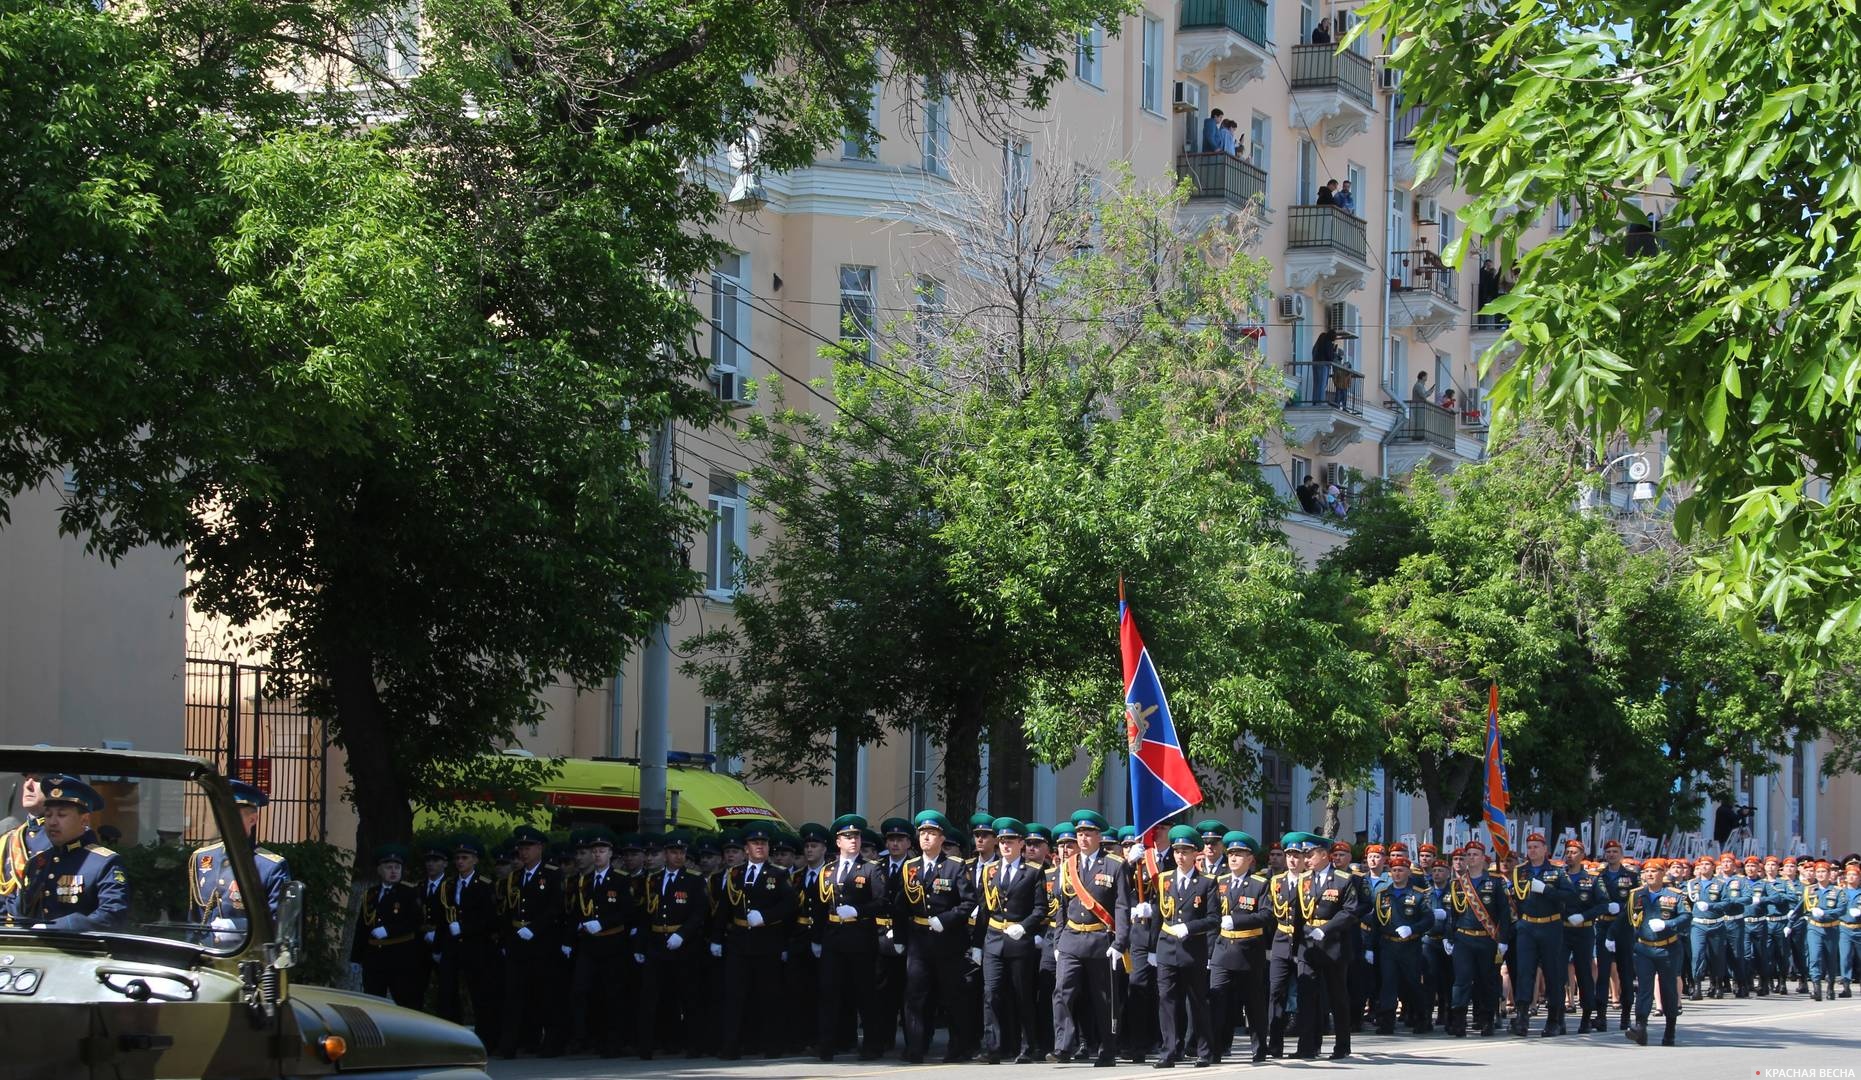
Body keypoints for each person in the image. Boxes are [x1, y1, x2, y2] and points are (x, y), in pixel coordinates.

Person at [1052, 809, 1129, 1068]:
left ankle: (1107, 1049)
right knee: (1062, 991)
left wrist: (1120, 942)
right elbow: (1061, 906)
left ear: (1099, 836)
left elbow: (1121, 906)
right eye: (1080, 834)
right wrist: (1058, 941)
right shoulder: (1067, 867)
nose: (1083, 839)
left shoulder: (1114, 865)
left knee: (1103, 999)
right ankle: (1064, 1045)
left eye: (1088, 834)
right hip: (1072, 938)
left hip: (1100, 938)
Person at [898, 810, 975, 1063]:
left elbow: (968, 904)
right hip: (919, 941)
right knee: (915, 997)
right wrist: (900, 937)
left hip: (948, 941)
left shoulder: (955, 866)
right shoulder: (910, 867)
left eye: (932, 833)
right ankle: (915, 1048)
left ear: (942, 838)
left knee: (952, 996)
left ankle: (958, 1048)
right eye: (922, 833)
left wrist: (946, 919)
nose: (926, 838)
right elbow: (901, 905)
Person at [6, 775, 128, 931]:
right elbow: (19, 911)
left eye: (61, 815)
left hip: (82, 951)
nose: (52, 822)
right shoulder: (37, 863)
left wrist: (60, 927)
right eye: (48, 815)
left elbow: (112, 916)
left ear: (84, 821)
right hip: (35, 951)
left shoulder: (104, 863)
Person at [718, 821, 796, 1058]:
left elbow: (790, 905)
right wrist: (716, 938)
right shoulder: (735, 873)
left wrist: (766, 916)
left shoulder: (778, 874)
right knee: (735, 996)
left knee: (768, 997)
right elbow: (724, 908)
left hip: (766, 942)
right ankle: (732, 1046)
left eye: (763, 843)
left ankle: (771, 1046)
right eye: (755, 843)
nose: (759, 847)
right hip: (738, 942)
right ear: (746, 848)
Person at [973, 817, 1046, 1064]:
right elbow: (984, 909)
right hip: (993, 939)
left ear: (1021, 844)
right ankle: (992, 1047)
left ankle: (1027, 1046)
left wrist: (1024, 927)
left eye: (1010, 841)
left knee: (1022, 994)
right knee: (991, 993)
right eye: (1002, 841)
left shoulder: (1034, 872)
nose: (1005, 846)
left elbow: (1040, 909)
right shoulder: (989, 870)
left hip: (1018, 940)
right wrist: (976, 943)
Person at [1293, 833, 1365, 1060]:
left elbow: (1350, 911)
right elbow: (1297, 915)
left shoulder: (1344, 879)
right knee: (1307, 996)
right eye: (1305, 855)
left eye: (1311, 854)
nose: (1307, 859)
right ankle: (1308, 1046)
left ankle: (1342, 1045)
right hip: (1308, 944)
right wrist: (1297, 946)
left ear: (1324, 855)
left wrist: (1326, 929)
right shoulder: (1304, 880)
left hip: (1334, 944)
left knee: (1337, 997)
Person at [190, 779, 292, 939]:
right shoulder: (202, 858)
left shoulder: (270, 866)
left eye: (232, 816)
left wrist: (238, 928)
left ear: (253, 819)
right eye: (220, 814)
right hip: (205, 956)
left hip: (244, 957)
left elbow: (278, 923)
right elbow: (194, 919)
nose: (224, 821)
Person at [1153, 824, 1218, 1067]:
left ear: (1195, 854)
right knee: (1167, 1001)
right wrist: (1152, 949)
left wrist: (1189, 928)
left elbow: (1214, 919)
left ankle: (1203, 1051)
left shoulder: (1206, 883)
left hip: (1192, 950)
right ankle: (1169, 1050)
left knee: (1197, 1002)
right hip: (1166, 948)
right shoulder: (1164, 880)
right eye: (1177, 851)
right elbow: (1159, 917)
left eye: (1185, 851)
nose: (1180, 856)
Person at [639, 831, 708, 1059]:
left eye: (681, 852)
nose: (677, 856)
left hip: (684, 946)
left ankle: (693, 1044)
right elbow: (645, 915)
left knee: (688, 997)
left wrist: (683, 934)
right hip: (658, 944)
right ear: (665, 854)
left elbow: (699, 913)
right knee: (654, 997)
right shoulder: (653, 879)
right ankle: (650, 1045)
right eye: (673, 852)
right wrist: (642, 945)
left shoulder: (694, 879)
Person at [495, 824, 563, 1059]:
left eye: (529, 847)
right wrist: (506, 939)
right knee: (514, 995)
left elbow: (555, 907)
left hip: (542, 943)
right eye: (521, 847)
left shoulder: (552, 874)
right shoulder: (514, 878)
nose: (524, 852)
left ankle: (550, 1042)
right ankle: (510, 1044)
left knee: (545, 995)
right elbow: (507, 911)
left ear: (540, 848)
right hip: (517, 942)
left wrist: (534, 928)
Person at [436, 834, 502, 1052]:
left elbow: (490, 918)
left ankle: (486, 1041)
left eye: (465, 857)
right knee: (447, 993)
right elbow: (441, 917)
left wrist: (465, 928)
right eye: (458, 858)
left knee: (480, 995)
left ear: (475, 860)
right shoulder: (448, 885)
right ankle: (450, 1040)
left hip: (477, 947)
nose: (460, 862)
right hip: (452, 947)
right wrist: (438, 946)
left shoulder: (484, 885)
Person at [1210, 831, 1271, 1063]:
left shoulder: (1259, 884)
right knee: (1218, 1001)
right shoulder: (1220, 882)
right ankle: (1216, 1048)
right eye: (1231, 854)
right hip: (1222, 949)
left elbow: (1267, 915)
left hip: (1248, 950)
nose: (1234, 858)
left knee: (1253, 1003)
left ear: (1250, 859)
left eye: (1240, 854)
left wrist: (1237, 920)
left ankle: (1259, 1048)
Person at [1508, 832, 1575, 1036]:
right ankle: (1521, 1017)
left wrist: (1547, 890)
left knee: (1552, 973)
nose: (1532, 850)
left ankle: (1555, 1018)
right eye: (1529, 847)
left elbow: (1571, 897)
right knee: (1524, 972)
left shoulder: (1557, 872)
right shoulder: (1520, 871)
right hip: (1527, 926)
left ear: (1545, 849)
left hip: (1550, 926)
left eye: (1537, 847)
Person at [1447, 839, 1512, 1037]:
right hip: (1464, 939)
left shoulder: (1495, 882)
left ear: (1483, 858)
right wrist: (1448, 937)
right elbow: (1453, 914)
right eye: (1468, 855)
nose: (1471, 858)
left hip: (1487, 938)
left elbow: (1504, 913)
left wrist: (1503, 940)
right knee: (1462, 981)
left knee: (1488, 981)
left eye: (1475, 854)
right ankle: (1458, 1020)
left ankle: (1486, 1020)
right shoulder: (1458, 884)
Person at [1624, 858, 1691, 1046]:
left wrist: (1668, 924)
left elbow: (1687, 916)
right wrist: (1612, 936)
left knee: (1668, 990)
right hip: (1644, 948)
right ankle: (1640, 1027)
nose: (1650, 875)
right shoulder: (1635, 895)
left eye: (1654, 871)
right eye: (1646, 872)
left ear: (1663, 873)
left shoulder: (1676, 895)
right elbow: (1628, 918)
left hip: (1667, 948)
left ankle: (1670, 1030)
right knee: (1644, 989)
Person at [353, 844, 426, 1008]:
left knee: (406, 1001)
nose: (393, 871)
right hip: (374, 958)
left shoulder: (409, 892)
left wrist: (389, 930)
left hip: (400, 956)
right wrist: (355, 958)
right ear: (379, 870)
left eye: (397, 867)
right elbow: (362, 927)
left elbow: (415, 922)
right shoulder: (371, 894)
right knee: (373, 1001)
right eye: (388, 867)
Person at [1373, 850, 1432, 1035]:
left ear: (1408, 872)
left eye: (1400, 870)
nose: (1397, 873)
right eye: (1394, 870)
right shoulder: (1383, 895)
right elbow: (1376, 921)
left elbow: (1428, 919)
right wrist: (1369, 947)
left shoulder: (1419, 895)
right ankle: (1386, 1021)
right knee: (1388, 984)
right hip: (1388, 945)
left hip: (1410, 946)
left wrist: (1413, 929)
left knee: (1413, 983)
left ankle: (1422, 1018)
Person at [873, 817, 914, 1056]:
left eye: (900, 839)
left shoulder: (915, 866)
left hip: (907, 935)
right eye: (891, 839)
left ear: (909, 843)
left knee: (908, 991)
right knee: (881, 991)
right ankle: (883, 1039)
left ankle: (913, 1042)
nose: (895, 844)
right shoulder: (877, 866)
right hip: (880, 934)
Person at [1559, 839, 1609, 1032]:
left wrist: (1584, 916)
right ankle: (1558, 1016)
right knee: (1559, 972)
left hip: (1583, 930)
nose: (1569, 855)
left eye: (1574, 852)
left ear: (1582, 856)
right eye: (1568, 851)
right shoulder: (1558, 876)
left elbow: (1603, 904)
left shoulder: (1593, 879)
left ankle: (1587, 1015)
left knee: (1584, 973)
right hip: (1562, 929)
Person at [1594, 839, 1638, 1030]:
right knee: (1602, 973)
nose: (1611, 854)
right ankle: (1601, 1015)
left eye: (1614, 851)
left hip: (1624, 929)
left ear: (1620, 853)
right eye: (1608, 851)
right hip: (1603, 926)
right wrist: (1605, 907)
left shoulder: (1631, 877)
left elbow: (1634, 903)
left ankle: (1626, 1014)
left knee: (1625, 972)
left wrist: (1619, 907)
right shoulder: (1598, 876)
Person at [0, 768, 52, 905]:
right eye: (26, 779)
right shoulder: (9, 840)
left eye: (37, 780)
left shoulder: (68, 838)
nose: (28, 785)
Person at [1310, 329, 1339, 404]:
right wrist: (1333, 352)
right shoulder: (1328, 342)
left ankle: (1315, 402)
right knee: (1322, 385)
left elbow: (1314, 351)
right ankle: (1320, 402)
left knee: (1316, 384)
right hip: (1323, 365)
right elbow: (1329, 357)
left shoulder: (1321, 339)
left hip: (1315, 364)